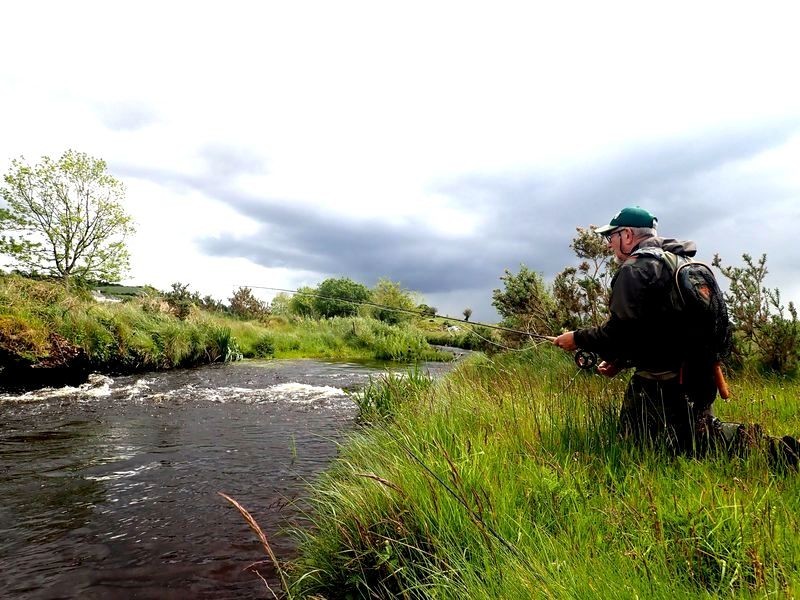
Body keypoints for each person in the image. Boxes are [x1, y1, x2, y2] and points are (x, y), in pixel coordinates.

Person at [552, 206, 799, 465]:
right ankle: (775, 453)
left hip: (660, 384)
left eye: (611, 236)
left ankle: (781, 453)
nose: (609, 244)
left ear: (627, 235)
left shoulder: (635, 269)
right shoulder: (682, 262)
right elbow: (656, 330)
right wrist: (620, 361)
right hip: (700, 376)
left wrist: (576, 338)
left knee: (640, 448)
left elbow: (620, 332)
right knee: (697, 442)